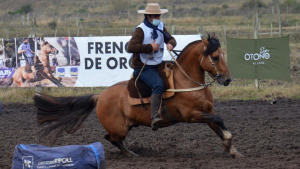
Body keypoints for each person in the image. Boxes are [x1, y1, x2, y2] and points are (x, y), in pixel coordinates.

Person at [127, 3, 177, 131]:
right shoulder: (140, 30)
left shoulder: (161, 26)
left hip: (157, 63)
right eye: (156, 16)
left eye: (159, 15)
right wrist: (150, 47)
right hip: (143, 67)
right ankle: (154, 117)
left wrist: (171, 44)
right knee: (158, 84)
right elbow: (130, 47)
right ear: (149, 16)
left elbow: (171, 39)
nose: (158, 18)